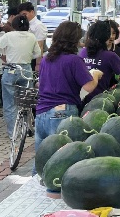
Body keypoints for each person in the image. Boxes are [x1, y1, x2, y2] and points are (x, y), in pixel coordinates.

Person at [35, 21, 102, 153]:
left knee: (42, 157)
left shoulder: (46, 59)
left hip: (41, 113)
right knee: (62, 156)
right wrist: (95, 75)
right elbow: (89, 86)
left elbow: (40, 84)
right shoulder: (74, 60)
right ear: (74, 40)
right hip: (62, 112)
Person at [0, 15, 42, 138]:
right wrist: (27, 56)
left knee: (10, 103)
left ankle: (13, 133)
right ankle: (28, 127)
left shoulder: (8, 36)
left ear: (14, 25)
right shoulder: (31, 36)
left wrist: (3, 57)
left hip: (11, 69)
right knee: (27, 101)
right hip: (26, 70)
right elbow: (38, 53)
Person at [79, 21, 120, 105]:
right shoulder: (111, 56)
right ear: (105, 36)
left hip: (81, 97)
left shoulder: (82, 52)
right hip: (100, 101)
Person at [17, 2, 47, 70]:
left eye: (25, 14)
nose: (23, 17)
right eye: (21, 15)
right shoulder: (24, 24)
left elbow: (40, 45)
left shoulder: (38, 26)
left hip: (35, 59)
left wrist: (38, 64)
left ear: (32, 12)